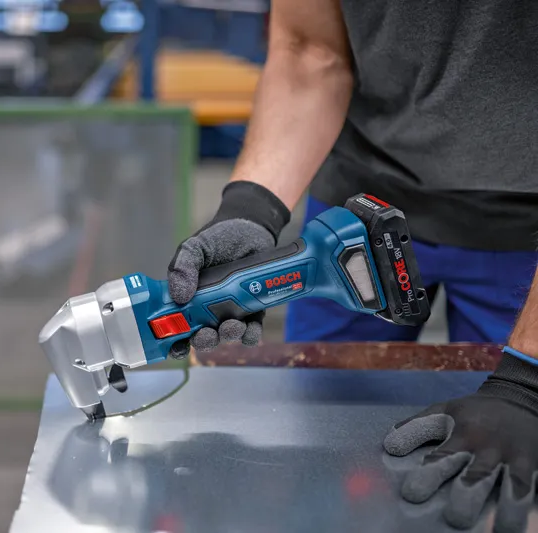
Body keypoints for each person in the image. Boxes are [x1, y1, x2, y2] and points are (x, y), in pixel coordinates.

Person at [167, 1, 538, 531]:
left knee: (497, 467)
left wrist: (528, 380)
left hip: (525, 226)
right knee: (318, 441)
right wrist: (251, 208)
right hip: (357, 205)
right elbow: (309, 48)